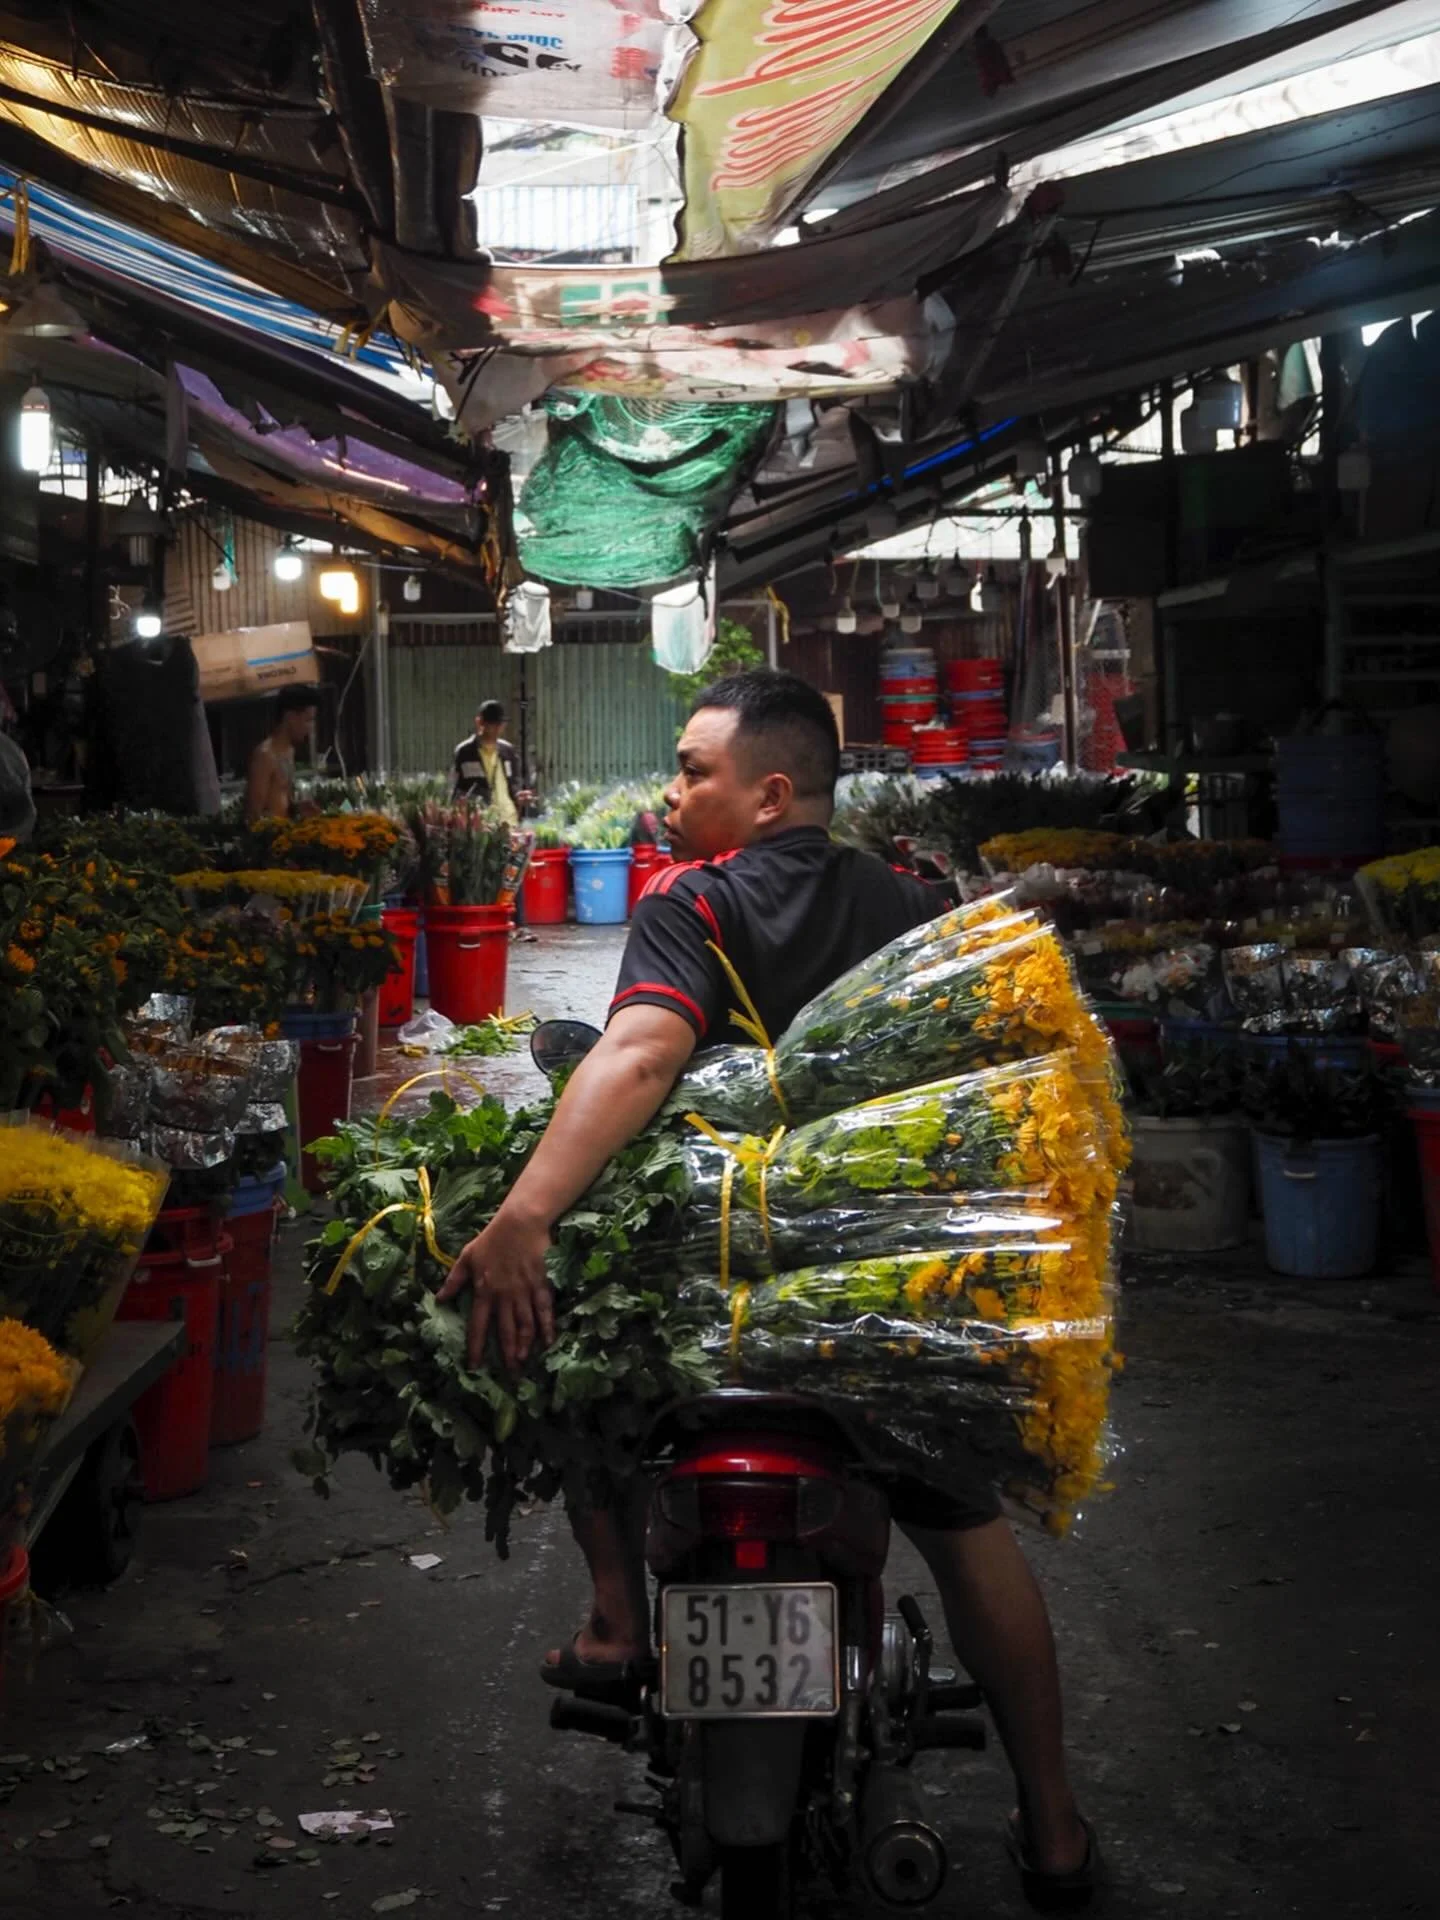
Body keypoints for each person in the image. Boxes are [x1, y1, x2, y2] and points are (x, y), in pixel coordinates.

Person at [440, 670, 1098, 1903]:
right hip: (884, 1299)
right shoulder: (916, 906)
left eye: (695, 770)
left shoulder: (695, 902)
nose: (674, 790)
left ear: (770, 794)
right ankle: (1055, 1828)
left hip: (717, 1290)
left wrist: (525, 1212)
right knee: (965, 1533)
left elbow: (641, 1054)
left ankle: (616, 1616)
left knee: (565, 1346)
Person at [244, 685, 320, 822]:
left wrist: (298, 808)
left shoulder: (289, 752)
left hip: (286, 830)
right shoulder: (265, 755)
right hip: (271, 834)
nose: (310, 727)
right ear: (290, 717)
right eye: (308, 720)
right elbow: (253, 815)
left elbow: (282, 799)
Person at [453, 700, 530, 820]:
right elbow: (458, 789)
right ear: (480, 722)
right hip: (482, 822)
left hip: (510, 820)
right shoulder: (465, 752)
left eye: (500, 724)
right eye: (493, 724)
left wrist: (518, 796)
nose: (497, 728)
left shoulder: (508, 751)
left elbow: (514, 783)